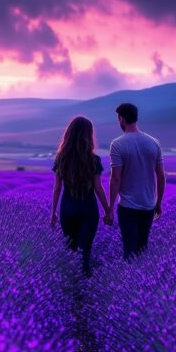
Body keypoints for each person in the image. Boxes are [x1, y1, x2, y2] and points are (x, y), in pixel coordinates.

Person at [105, 102, 165, 260]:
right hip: (148, 205)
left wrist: (110, 208)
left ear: (122, 119)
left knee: (129, 250)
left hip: (128, 206)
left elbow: (116, 178)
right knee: (142, 248)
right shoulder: (154, 143)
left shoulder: (117, 144)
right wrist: (158, 202)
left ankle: (130, 281)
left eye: (119, 119)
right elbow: (161, 176)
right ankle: (142, 281)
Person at [51, 116, 110, 275]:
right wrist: (108, 211)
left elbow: (57, 188)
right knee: (85, 252)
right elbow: (98, 188)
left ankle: (70, 285)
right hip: (88, 210)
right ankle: (83, 287)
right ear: (88, 135)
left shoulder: (61, 159)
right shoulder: (93, 160)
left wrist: (53, 213)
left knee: (70, 250)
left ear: (69, 134)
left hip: (67, 209)